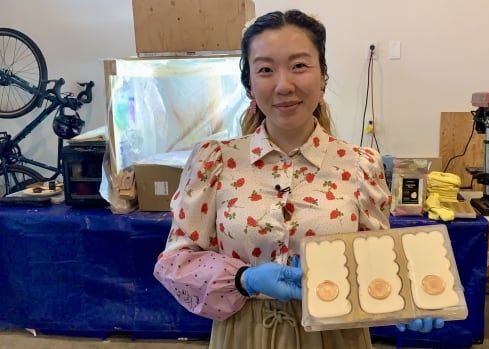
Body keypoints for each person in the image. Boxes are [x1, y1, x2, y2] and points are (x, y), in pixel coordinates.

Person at [153, 9, 442, 349]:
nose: (284, 84)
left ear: (323, 78)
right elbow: (175, 262)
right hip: (246, 336)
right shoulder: (214, 162)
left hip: (336, 336)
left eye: (299, 65)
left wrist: (407, 300)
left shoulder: (361, 164)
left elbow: (374, 260)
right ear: (249, 85)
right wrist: (244, 278)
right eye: (265, 69)